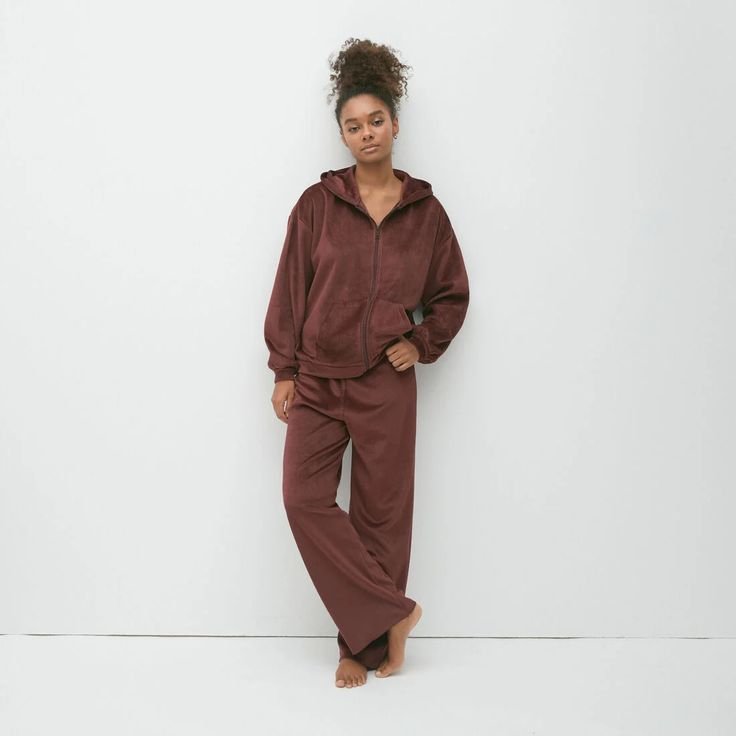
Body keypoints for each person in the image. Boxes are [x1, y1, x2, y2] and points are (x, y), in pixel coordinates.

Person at [263, 38, 470, 689]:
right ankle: (391, 613)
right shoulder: (317, 205)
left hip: (386, 382)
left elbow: (451, 294)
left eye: (376, 120)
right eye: (353, 125)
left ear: (395, 124)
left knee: (382, 516)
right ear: (343, 135)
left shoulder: (425, 213)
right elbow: (291, 287)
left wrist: (421, 341)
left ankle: (366, 646)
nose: (366, 133)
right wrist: (285, 369)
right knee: (303, 499)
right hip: (319, 379)